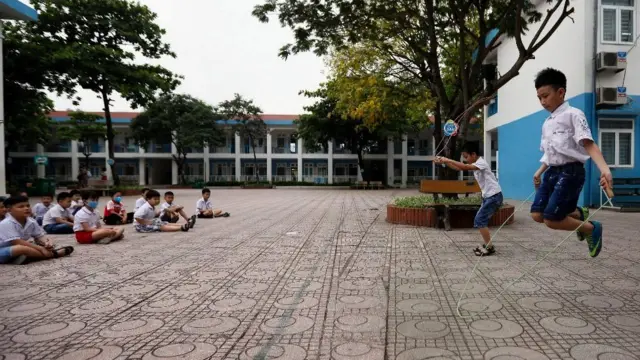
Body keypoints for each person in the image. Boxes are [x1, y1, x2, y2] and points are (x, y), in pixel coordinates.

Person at [531, 68, 612, 258]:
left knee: (552, 220)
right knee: (537, 215)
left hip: (571, 172)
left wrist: (605, 170)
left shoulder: (574, 114)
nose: (543, 102)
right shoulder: (547, 123)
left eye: (546, 96)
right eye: (539, 98)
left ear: (560, 92)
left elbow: (588, 143)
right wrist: (539, 171)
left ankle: (591, 228)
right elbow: (550, 154)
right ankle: (577, 212)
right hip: (552, 172)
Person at [436, 142, 503, 256]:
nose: (465, 159)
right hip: (489, 197)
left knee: (480, 220)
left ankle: (489, 247)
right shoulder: (476, 163)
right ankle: (488, 245)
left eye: (466, 157)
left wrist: (447, 159)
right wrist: (445, 162)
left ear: (474, 154)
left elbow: (465, 166)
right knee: (481, 220)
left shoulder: (481, 163)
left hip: (494, 196)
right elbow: (459, 168)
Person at [0, 196, 74, 265]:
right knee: (21, 248)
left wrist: (47, 243)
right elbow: (16, 241)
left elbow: (39, 236)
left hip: (13, 250)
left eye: (28, 206)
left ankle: (25, 257)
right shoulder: (6, 223)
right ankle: (55, 254)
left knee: (34, 245)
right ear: (9, 210)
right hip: (3, 250)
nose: (26, 208)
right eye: (21, 207)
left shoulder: (31, 221)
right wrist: (41, 249)